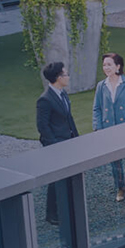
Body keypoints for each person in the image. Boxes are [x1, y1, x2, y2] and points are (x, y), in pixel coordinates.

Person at [93, 52, 125, 203]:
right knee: (115, 161)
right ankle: (120, 187)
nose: (106, 68)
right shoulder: (101, 86)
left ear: (118, 66)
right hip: (110, 129)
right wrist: (99, 128)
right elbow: (97, 108)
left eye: (109, 64)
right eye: (104, 65)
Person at [37, 62, 79, 225]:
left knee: (69, 176)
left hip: (68, 142)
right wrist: (55, 146)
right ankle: (52, 213)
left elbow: (69, 118)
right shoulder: (45, 100)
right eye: (66, 74)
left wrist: (76, 138)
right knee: (55, 180)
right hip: (57, 145)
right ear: (58, 78)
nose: (68, 77)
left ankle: (66, 208)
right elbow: (42, 126)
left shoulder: (63, 94)